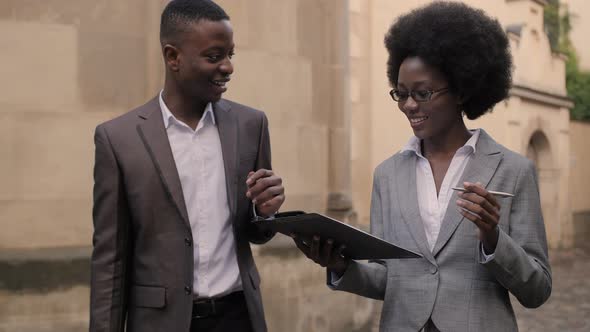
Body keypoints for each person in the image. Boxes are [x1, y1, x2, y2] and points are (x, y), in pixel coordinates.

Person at [293, 2, 551, 331]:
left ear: (461, 89)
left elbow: (538, 290)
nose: (410, 105)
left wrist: (492, 237)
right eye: (401, 94)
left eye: (423, 93)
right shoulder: (387, 175)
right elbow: (390, 279)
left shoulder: (514, 171)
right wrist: (342, 265)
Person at [89, 1, 285, 331]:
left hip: (239, 317)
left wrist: (265, 213)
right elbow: (111, 260)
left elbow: (257, 232)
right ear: (173, 57)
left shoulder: (251, 125)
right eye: (214, 56)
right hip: (161, 322)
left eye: (230, 55)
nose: (228, 67)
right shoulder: (118, 139)